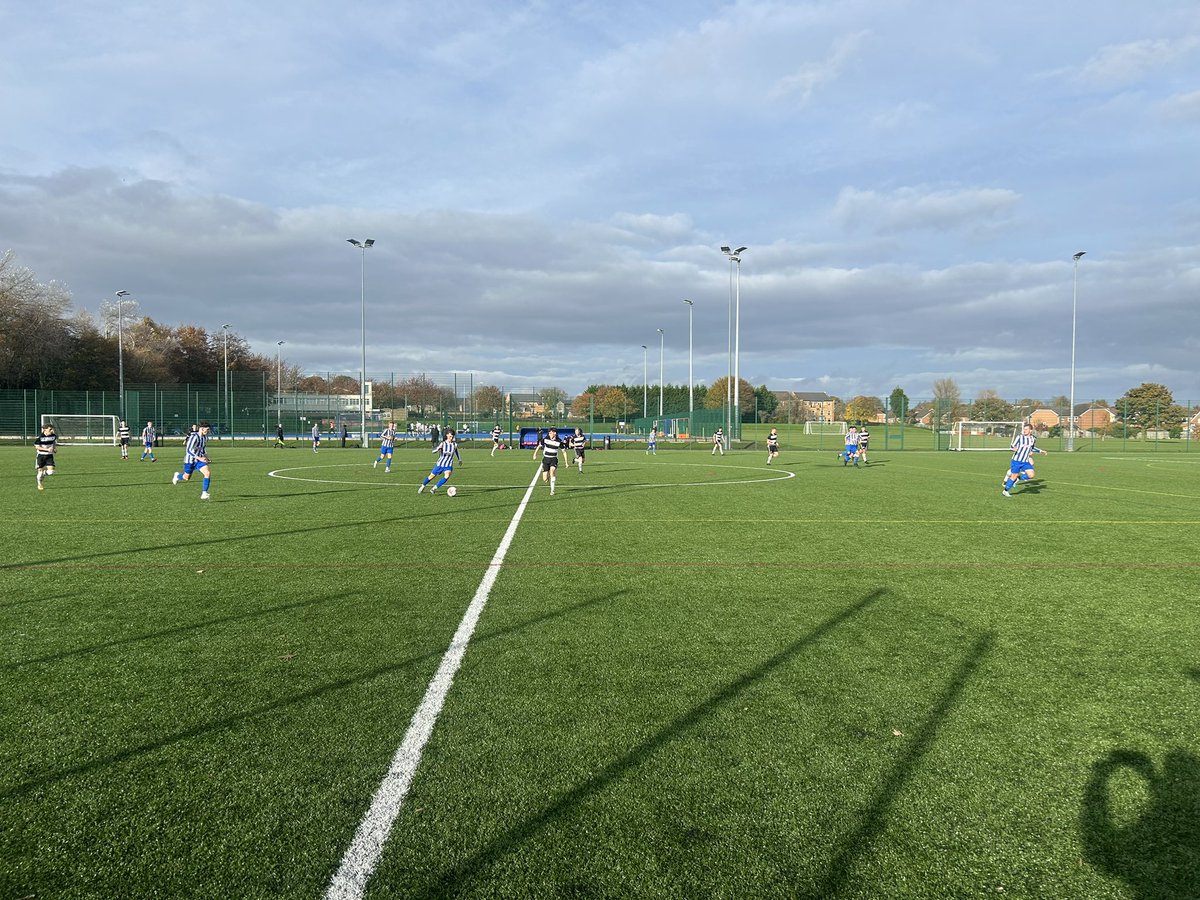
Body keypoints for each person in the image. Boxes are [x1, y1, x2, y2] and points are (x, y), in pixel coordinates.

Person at [1002, 423, 1048, 497]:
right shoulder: (1019, 437)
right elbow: (1012, 446)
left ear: (1030, 430)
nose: (1024, 430)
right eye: (1024, 429)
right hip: (1016, 461)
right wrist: (1013, 449)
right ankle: (1005, 491)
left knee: (1031, 475)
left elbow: (1032, 447)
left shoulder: (1033, 438)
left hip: (1025, 461)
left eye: (1026, 429)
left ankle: (1018, 479)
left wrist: (1040, 451)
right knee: (1013, 476)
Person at [172, 421, 213, 500]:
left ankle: (204, 493)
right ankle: (177, 476)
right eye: (207, 430)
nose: (208, 431)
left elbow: (203, 449)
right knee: (186, 478)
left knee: (207, 473)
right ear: (201, 429)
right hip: (190, 461)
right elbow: (188, 450)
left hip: (199, 461)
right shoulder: (194, 437)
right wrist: (200, 458)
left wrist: (207, 457)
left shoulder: (204, 438)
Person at [419, 428, 461, 494]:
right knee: (431, 477)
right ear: (447, 435)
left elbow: (457, 452)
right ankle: (423, 486)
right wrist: (437, 449)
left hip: (448, 465)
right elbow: (434, 451)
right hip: (440, 464)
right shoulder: (443, 444)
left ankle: (434, 488)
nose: (451, 438)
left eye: (452, 436)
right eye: (450, 436)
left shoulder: (454, 445)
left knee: (447, 476)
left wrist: (459, 459)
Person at [535, 426, 564, 495]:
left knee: (552, 472)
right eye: (549, 433)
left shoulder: (559, 441)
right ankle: (548, 477)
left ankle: (552, 490)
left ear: (555, 433)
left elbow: (564, 451)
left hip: (553, 459)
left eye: (551, 433)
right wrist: (535, 454)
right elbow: (539, 446)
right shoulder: (545, 439)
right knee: (545, 479)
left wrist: (566, 462)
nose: (550, 434)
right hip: (546, 459)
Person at [35, 422, 58, 491]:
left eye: (52, 429)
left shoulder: (53, 436)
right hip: (41, 456)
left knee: (51, 472)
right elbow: (37, 447)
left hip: (49, 456)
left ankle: (44, 473)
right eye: (50, 429)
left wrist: (54, 448)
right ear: (45, 430)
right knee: (39, 473)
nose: (52, 431)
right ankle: (39, 483)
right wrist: (47, 449)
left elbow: (53, 442)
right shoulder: (40, 438)